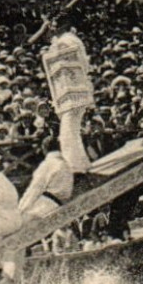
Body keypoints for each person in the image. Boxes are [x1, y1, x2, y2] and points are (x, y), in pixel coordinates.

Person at [42, 12, 94, 173]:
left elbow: (54, 54)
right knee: (71, 131)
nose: (52, 28)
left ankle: (75, 166)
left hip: (73, 91)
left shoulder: (67, 41)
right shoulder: (67, 40)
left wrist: (46, 52)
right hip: (73, 92)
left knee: (67, 133)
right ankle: (82, 164)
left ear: (63, 25)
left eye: (55, 25)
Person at [19, 141, 75, 221]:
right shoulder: (66, 164)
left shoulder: (48, 164)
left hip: (46, 205)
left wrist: (21, 209)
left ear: (44, 149)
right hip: (60, 204)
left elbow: (34, 189)